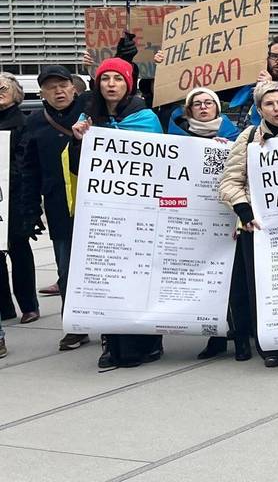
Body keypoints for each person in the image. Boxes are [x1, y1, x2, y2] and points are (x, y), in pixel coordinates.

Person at [68, 58, 165, 369]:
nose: (111, 84)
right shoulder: (87, 119)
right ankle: (111, 344)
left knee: (140, 278)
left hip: (140, 212)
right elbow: (76, 169)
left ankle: (147, 343)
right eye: (105, 78)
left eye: (117, 79)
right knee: (107, 278)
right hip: (104, 214)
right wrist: (78, 142)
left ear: (128, 84)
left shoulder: (146, 118)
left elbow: (164, 163)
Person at [218, 81, 278, 367]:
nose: (276, 108)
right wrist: (244, 211)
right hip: (257, 228)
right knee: (261, 288)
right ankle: (268, 344)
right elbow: (230, 183)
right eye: (269, 104)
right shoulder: (247, 138)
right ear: (259, 110)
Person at [164, 87, 244, 359]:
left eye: (209, 102)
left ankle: (242, 337)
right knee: (204, 279)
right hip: (194, 220)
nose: (203, 107)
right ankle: (214, 337)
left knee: (236, 282)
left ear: (217, 108)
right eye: (197, 104)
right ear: (189, 110)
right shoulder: (175, 139)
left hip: (228, 216)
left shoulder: (236, 137)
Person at [16, 65, 87, 350]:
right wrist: (30, 209)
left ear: (73, 87)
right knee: (67, 270)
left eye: (63, 85)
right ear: (41, 92)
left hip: (98, 205)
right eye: (51, 87)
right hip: (60, 208)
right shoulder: (34, 122)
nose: (58, 91)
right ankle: (74, 326)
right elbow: (28, 168)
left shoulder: (92, 109)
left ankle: (110, 324)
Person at [0, 72, 37, 327]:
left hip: (15, 196)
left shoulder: (24, 123)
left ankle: (28, 305)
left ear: (16, 92)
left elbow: (26, 162)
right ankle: (5, 307)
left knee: (19, 249)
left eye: (2, 87)